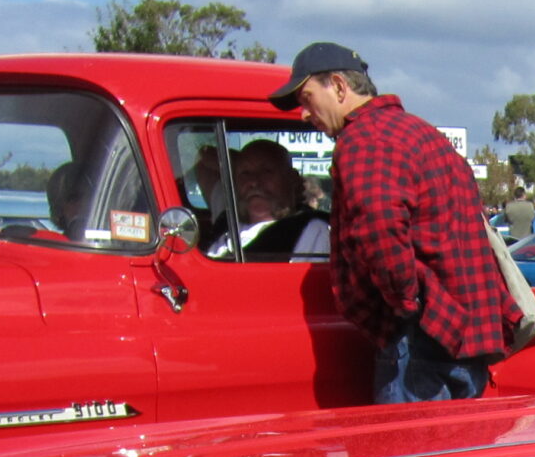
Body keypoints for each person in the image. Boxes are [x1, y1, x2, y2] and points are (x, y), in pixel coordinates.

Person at [271, 41, 513, 402]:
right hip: (458, 334)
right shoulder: (423, 134)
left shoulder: (364, 140)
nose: (305, 113)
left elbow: (380, 229)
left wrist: (406, 304)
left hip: (421, 340)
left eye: (307, 98)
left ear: (338, 86)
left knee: (410, 454)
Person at [211, 139, 330, 260]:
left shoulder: (311, 230)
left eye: (266, 172)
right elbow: (204, 160)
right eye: (245, 173)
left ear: (291, 179)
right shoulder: (227, 222)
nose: (254, 182)